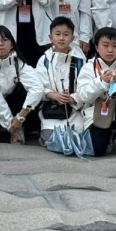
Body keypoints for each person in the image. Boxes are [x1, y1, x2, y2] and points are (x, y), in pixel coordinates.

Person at [74, 27, 116, 156]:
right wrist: (101, 82)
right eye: (105, 45)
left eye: (115, 46)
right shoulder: (88, 68)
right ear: (96, 47)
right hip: (97, 113)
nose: (110, 50)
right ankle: (109, 136)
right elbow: (82, 96)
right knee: (97, 151)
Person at [0, 26, 43, 144]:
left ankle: (19, 127)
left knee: (25, 91)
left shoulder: (18, 63)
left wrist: (20, 117)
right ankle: (8, 128)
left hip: (15, 108)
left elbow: (37, 87)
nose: (0, 44)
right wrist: (12, 126)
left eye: (5, 39)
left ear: (11, 44)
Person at [35, 16, 87, 146]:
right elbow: (38, 86)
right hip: (51, 108)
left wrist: (73, 98)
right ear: (50, 37)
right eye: (57, 34)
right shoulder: (44, 60)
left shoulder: (80, 60)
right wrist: (54, 96)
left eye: (66, 34)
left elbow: (85, 86)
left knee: (78, 139)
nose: (61, 38)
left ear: (72, 38)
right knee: (51, 139)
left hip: (74, 109)